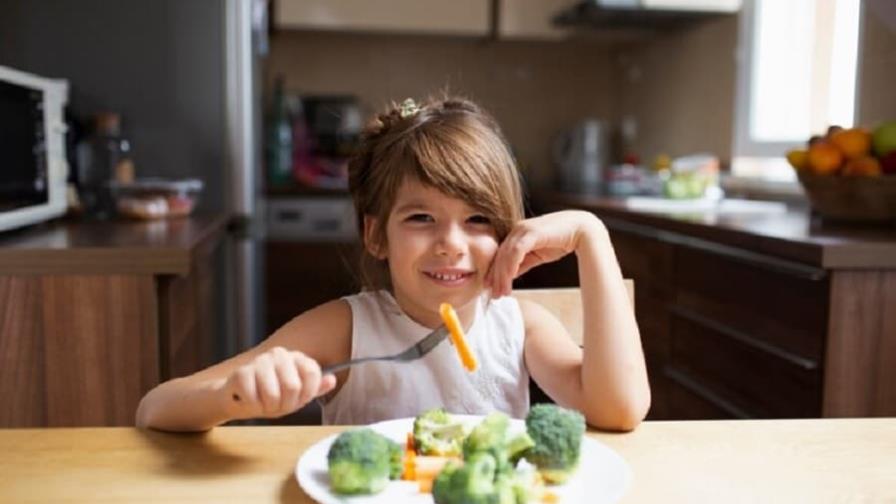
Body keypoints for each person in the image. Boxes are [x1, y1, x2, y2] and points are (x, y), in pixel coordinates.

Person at [136, 96, 650, 432]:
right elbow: (156, 407)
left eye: (476, 220)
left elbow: (619, 410)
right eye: (422, 218)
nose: (451, 244)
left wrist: (591, 236)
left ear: (506, 234)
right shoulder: (346, 328)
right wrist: (234, 396)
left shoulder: (521, 325)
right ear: (376, 235)